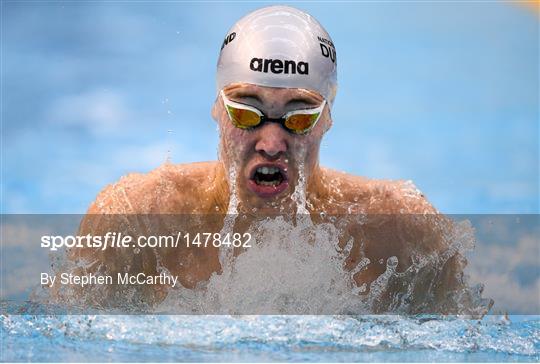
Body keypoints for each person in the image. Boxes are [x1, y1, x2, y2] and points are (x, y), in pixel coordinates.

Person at [66, 5, 475, 314]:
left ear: (326, 119)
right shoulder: (135, 219)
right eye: (246, 111)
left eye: (299, 115)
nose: (272, 142)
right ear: (216, 109)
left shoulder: (401, 232)